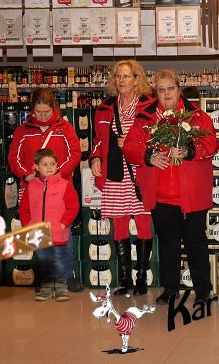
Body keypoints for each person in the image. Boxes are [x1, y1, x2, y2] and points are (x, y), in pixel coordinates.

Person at [123, 69, 218, 305]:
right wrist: (149, 156)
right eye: (161, 90)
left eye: (171, 88)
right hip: (161, 195)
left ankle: (203, 290)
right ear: (155, 93)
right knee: (168, 244)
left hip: (192, 195)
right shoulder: (145, 117)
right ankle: (170, 289)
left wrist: (190, 151)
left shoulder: (197, 116)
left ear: (179, 89)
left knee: (196, 242)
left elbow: (211, 144)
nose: (166, 94)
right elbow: (129, 147)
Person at [89, 60, 154, 296]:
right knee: (119, 225)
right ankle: (126, 278)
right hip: (115, 172)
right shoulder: (105, 107)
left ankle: (142, 277)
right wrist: (95, 157)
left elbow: (156, 138)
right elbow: (98, 139)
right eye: (118, 76)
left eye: (126, 76)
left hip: (140, 171)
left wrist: (133, 143)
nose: (121, 80)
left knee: (144, 223)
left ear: (137, 79)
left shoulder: (149, 106)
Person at [7, 87, 82, 292]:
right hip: (34, 191)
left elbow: (75, 154)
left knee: (63, 235)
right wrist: (27, 175)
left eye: (46, 112)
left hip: (60, 190)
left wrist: (59, 173)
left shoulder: (65, 128)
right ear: (32, 109)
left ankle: (66, 276)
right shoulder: (23, 131)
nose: (42, 116)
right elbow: (13, 158)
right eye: (38, 112)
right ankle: (46, 278)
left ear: (53, 108)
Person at [19, 149, 79, 301]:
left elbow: (73, 206)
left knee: (59, 261)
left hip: (58, 232)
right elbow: (24, 209)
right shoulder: (31, 186)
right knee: (44, 261)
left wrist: (63, 224)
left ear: (57, 165)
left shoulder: (64, 185)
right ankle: (45, 289)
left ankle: (60, 289)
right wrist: (28, 225)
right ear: (37, 167)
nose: (49, 167)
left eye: (52, 164)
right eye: (45, 164)